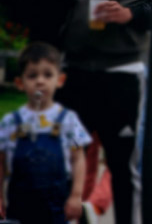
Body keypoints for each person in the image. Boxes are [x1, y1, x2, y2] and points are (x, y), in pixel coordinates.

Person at [47, 0, 151, 224]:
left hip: (123, 74)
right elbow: (46, 11)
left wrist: (131, 15)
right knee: (61, 163)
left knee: (122, 167)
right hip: (74, 74)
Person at [0, 42, 93, 224]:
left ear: (60, 80)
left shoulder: (68, 121)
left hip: (57, 209)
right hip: (19, 208)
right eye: (32, 75)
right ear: (20, 83)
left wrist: (76, 195)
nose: (40, 81)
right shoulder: (10, 122)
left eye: (47, 75)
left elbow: (78, 159)